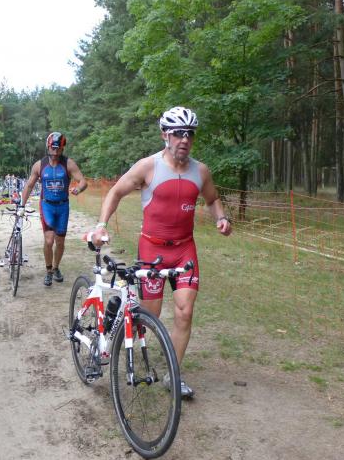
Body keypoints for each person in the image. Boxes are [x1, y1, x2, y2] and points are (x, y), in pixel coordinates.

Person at [91, 106, 232, 398]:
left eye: (190, 134)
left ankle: (173, 375)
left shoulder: (201, 171)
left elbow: (213, 199)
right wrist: (101, 225)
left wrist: (221, 217)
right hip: (152, 249)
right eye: (178, 133)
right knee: (149, 316)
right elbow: (115, 192)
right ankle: (112, 332)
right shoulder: (148, 167)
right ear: (164, 135)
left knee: (185, 311)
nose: (184, 139)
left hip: (184, 250)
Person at [20, 131, 88, 286]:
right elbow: (29, 185)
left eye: (59, 149)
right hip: (47, 205)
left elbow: (83, 181)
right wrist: (22, 205)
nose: (55, 152)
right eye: (53, 148)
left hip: (63, 206)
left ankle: (56, 267)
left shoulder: (68, 164)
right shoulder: (39, 165)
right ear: (48, 146)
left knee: (60, 242)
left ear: (63, 149)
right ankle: (49, 270)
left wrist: (79, 189)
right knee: (49, 240)